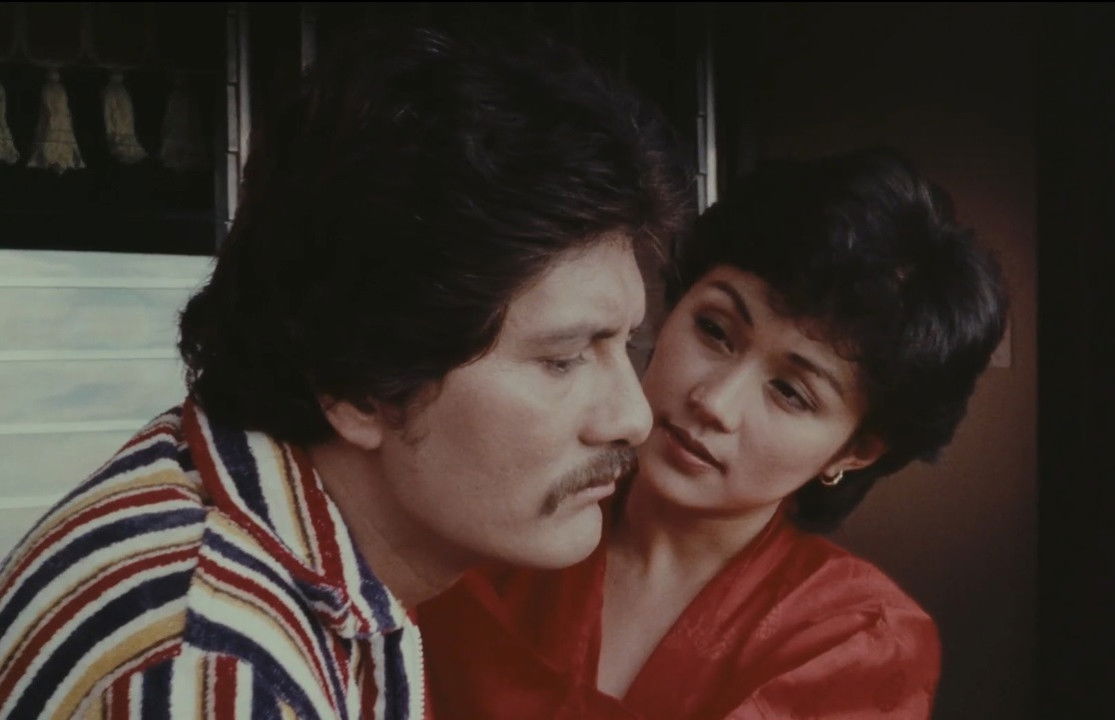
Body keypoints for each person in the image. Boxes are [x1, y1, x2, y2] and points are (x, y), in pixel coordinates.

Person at [0, 26, 685, 720]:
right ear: (363, 384)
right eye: (563, 360)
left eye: (628, 344)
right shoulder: (223, 672)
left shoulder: (236, 515)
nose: (632, 417)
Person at [419, 149, 1008, 719]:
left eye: (791, 393)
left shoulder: (857, 639)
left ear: (855, 451)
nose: (714, 403)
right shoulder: (503, 511)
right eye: (715, 331)